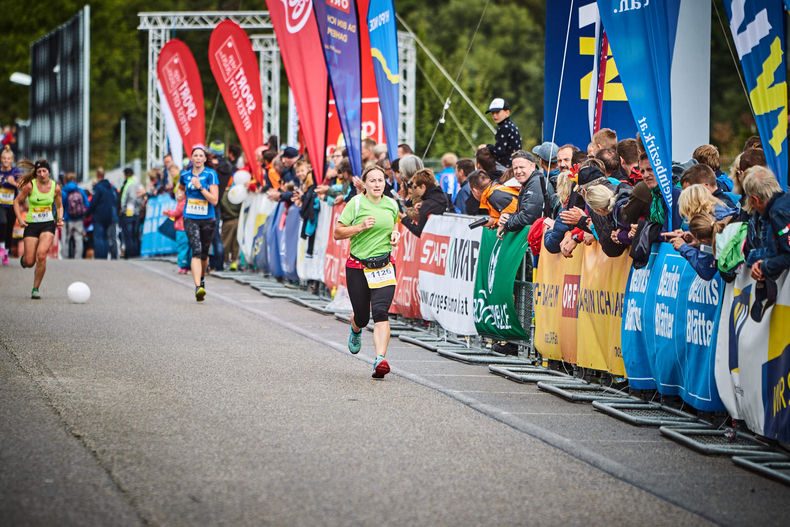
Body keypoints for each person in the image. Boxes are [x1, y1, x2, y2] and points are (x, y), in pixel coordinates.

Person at [333, 165, 401, 379]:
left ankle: (380, 359)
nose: (377, 184)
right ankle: (356, 327)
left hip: (384, 266)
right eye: (372, 180)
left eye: (380, 180)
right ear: (365, 184)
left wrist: (396, 234)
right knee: (362, 316)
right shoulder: (356, 203)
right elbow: (338, 232)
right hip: (358, 266)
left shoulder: (391, 204)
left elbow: (395, 223)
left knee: (381, 312)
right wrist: (360, 227)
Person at [13, 159, 63, 299]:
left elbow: (59, 206)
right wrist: (20, 218)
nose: (41, 174)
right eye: (39, 171)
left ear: (49, 172)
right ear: (35, 173)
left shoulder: (55, 188)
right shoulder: (30, 186)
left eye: (44, 171)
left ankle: (35, 288)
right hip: (32, 224)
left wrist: (59, 219)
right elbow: (17, 202)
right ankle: (25, 260)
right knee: (30, 262)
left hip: (48, 224)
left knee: (41, 255)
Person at [179, 146, 220, 302]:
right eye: (194, 155)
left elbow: (214, 200)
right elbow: (180, 188)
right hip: (190, 216)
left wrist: (201, 188)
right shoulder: (185, 175)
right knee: (196, 250)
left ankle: (202, 278)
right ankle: (198, 287)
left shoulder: (211, 174)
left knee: (204, 253)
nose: (197, 158)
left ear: (204, 159)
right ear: (191, 158)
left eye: (200, 155)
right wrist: (180, 194)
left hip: (207, 217)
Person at [500, 151, 557, 234]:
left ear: (533, 166)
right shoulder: (529, 182)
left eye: (522, 167)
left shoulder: (536, 183)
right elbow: (523, 213)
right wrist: (507, 217)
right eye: (515, 168)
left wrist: (506, 223)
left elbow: (528, 218)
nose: (518, 171)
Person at [399, 168, 449, 237]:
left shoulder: (427, 204)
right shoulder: (442, 196)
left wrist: (404, 218)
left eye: (415, 187)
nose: (414, 190)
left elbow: (419, 232)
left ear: (423, 187)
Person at [88, 167, 119, 260]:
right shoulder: (111, 187)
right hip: (110, 216)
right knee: (106, 237)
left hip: (99, 216)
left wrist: (87, 213)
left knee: (99, 237)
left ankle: (99, 256)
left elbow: (94, 202)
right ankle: (105, 255)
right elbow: (115, 201)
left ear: (97, 175)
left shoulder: (98, 187)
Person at [485, 98, 522, 168]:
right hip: (515, 164)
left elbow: (498, 151)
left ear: (507, 112)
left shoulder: (504, 127)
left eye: (497, 112)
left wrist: (487, 147)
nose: (494, 116)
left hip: (506, 167)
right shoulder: (510, 125)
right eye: (492, 113)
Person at [61, 172, 89, 259]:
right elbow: (87, 204)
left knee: (65, 238)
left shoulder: (63, 191)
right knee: (79, 238)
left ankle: (65, 257)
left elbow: (60, 205)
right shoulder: (80, 190)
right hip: (78, 218)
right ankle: (78, 258)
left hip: (66, 218)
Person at [0, 146, 20, 265]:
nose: (6, 160)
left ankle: (6, 252)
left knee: (9, 228)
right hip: (1, 203)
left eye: (8, 159)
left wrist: (13, 183)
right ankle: (1, 246)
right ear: (1, 159)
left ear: (12, 160)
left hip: (12, 204)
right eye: (4, 158)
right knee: (2, 222)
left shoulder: (16, 172)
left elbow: (24, 187)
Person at [164, 189, 189, 274]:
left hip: (181, 229)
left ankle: (183, 266)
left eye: (179, 193)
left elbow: (177, 213)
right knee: (187, 248)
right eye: (177, 193)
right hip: (185, 228)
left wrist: (168, 212)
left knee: (182, 247)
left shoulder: (183, 203)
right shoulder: (185, 202)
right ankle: (187, 265)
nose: (177, 195)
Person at [119, 167, 142, 258]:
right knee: (134, 233)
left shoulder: (130, 184)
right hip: (135, 212)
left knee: (129, 234)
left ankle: (131, 253)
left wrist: (124, 209)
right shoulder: (136, 183)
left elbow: (131, 198)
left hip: (130, 212)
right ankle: (134, 252)